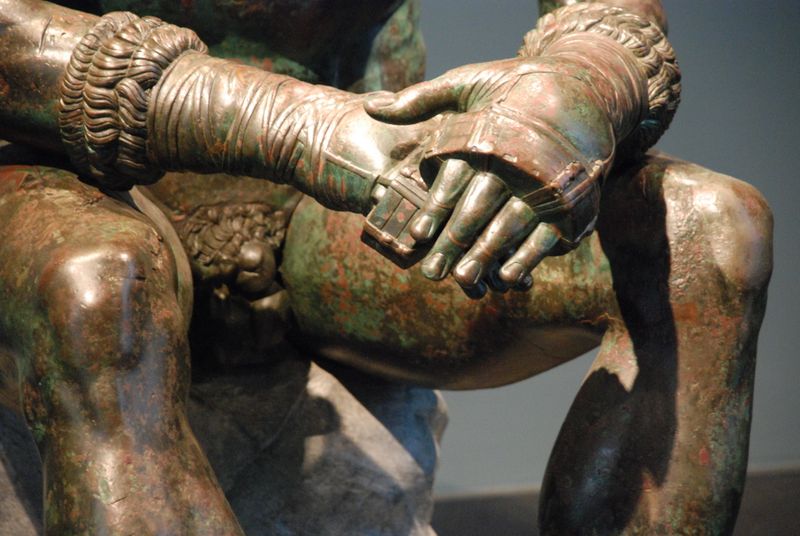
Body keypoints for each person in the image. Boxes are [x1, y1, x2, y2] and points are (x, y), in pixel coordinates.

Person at [0, 0, 772, 534]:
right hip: (83, 173)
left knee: (706, 234)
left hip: (347, 193)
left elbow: (609, 14)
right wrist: (292, 124)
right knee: (94, 291)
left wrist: (575, 88)